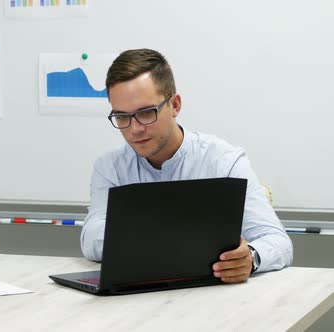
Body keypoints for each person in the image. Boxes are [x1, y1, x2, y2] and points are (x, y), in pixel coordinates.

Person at [80, 49, 292, 283]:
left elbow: (277, 241)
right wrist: (171, 240)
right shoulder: (110, 167)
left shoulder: (224, 161)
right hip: (132, 298)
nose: (134, 129)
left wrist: (250, 258)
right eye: (121, 117)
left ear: (175, 105)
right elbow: (91, 239)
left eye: (146, 113)